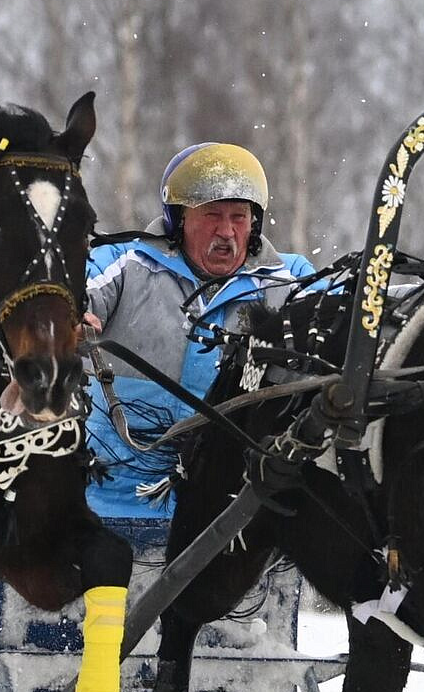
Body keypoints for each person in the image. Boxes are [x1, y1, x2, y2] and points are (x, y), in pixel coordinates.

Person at [83, 142, 315, 517]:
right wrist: (71, 319)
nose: (226, 232)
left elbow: (354, 317)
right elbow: (69, 297)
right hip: (116, 510)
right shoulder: (123, 264)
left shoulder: (293, 279)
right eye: (212, 215)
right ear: (178, 219)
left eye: (239, 217)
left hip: (235, 520)